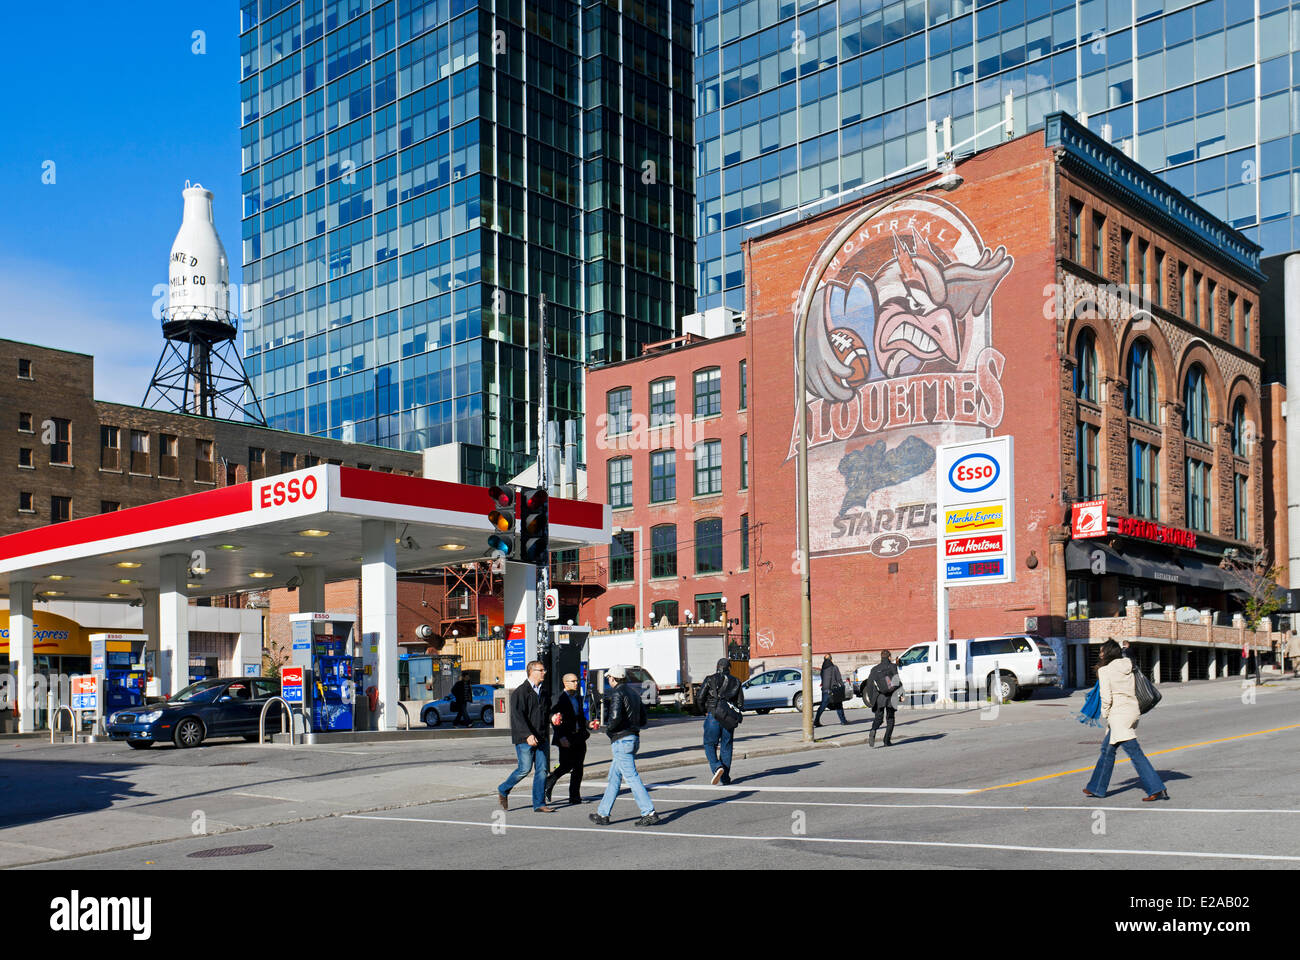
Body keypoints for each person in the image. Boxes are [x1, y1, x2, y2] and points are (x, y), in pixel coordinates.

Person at [1082, 639, 1169, 801]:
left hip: (1118, 715)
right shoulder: (1128, 665)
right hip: (1132, 711)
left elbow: (1106, 697)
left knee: (1134, 752)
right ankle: (1096, 787)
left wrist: (1106, 714)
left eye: (1101, 651)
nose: (1099, 654)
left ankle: (1156, 788)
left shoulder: (1105, 671)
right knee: (1107, 750)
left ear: (1107, 653)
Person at [589, 666, 660, 826]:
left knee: (632, 777)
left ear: (613, 679)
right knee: (614, 778)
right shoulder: (634, 694)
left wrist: (608, 730)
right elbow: (643, 720)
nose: (608, 680)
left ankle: (649, 811)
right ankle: (602, 813)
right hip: (633, 738)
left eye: (609, 678)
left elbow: (614, 718)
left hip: (621, 740)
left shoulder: (617, 693)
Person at [497, 660, 556, 813]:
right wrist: (527, 735)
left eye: (544, 670)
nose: (544, 673)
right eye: (541, 670)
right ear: (532, 671)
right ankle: (503, 789)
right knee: (524, 769)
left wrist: (552, 718)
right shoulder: (521, 692)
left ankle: (539, 803)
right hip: (525, 738)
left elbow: (546, 712)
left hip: (541, 736)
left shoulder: (543, 692)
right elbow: (517, 717)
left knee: (542, 770)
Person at [544, 672, 589, 805]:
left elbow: (580, 717)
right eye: (573, 681)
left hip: (579, 736)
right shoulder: (558, 698)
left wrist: (588, 724)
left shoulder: (578, 698)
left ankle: (574, 796)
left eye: (577, 681)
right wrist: (561, 736)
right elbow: (554, 719)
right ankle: (548, 782)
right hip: (566, 737)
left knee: (579, 768)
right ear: (565, 683)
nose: (576, 683)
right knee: (566, 765)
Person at [698, 658, 744, 785]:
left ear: (717, 666)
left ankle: (717, 767)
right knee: (727, 746)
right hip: (728, 717)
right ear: (729, 668)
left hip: (713, 714)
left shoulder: (710, 679)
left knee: (709, 744)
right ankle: (725, 778)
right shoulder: (736, 681)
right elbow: (740, 703)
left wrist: (704, 711)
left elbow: (700, 698)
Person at [865, 651, 900, 748]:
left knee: (878, 718)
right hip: (891, 697)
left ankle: (873, 730)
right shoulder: (892, 667)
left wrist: (872, 699)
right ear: (889, 657)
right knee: (890, 718)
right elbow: (897, 681)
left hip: (880, 697)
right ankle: (886, 741)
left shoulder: (875, 669)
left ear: (881, 657)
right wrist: (900, 693)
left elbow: (869, 685)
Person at [813, 654, 848, 728]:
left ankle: (816, 721)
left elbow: (823, 679)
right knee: (838, 705)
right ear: (831, 659)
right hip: (833, 689)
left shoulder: (823, 669)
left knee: (822, 706)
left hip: (825, 690)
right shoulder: (834, 667)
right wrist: (843, 687)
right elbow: (839, 679)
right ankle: (843, 721)